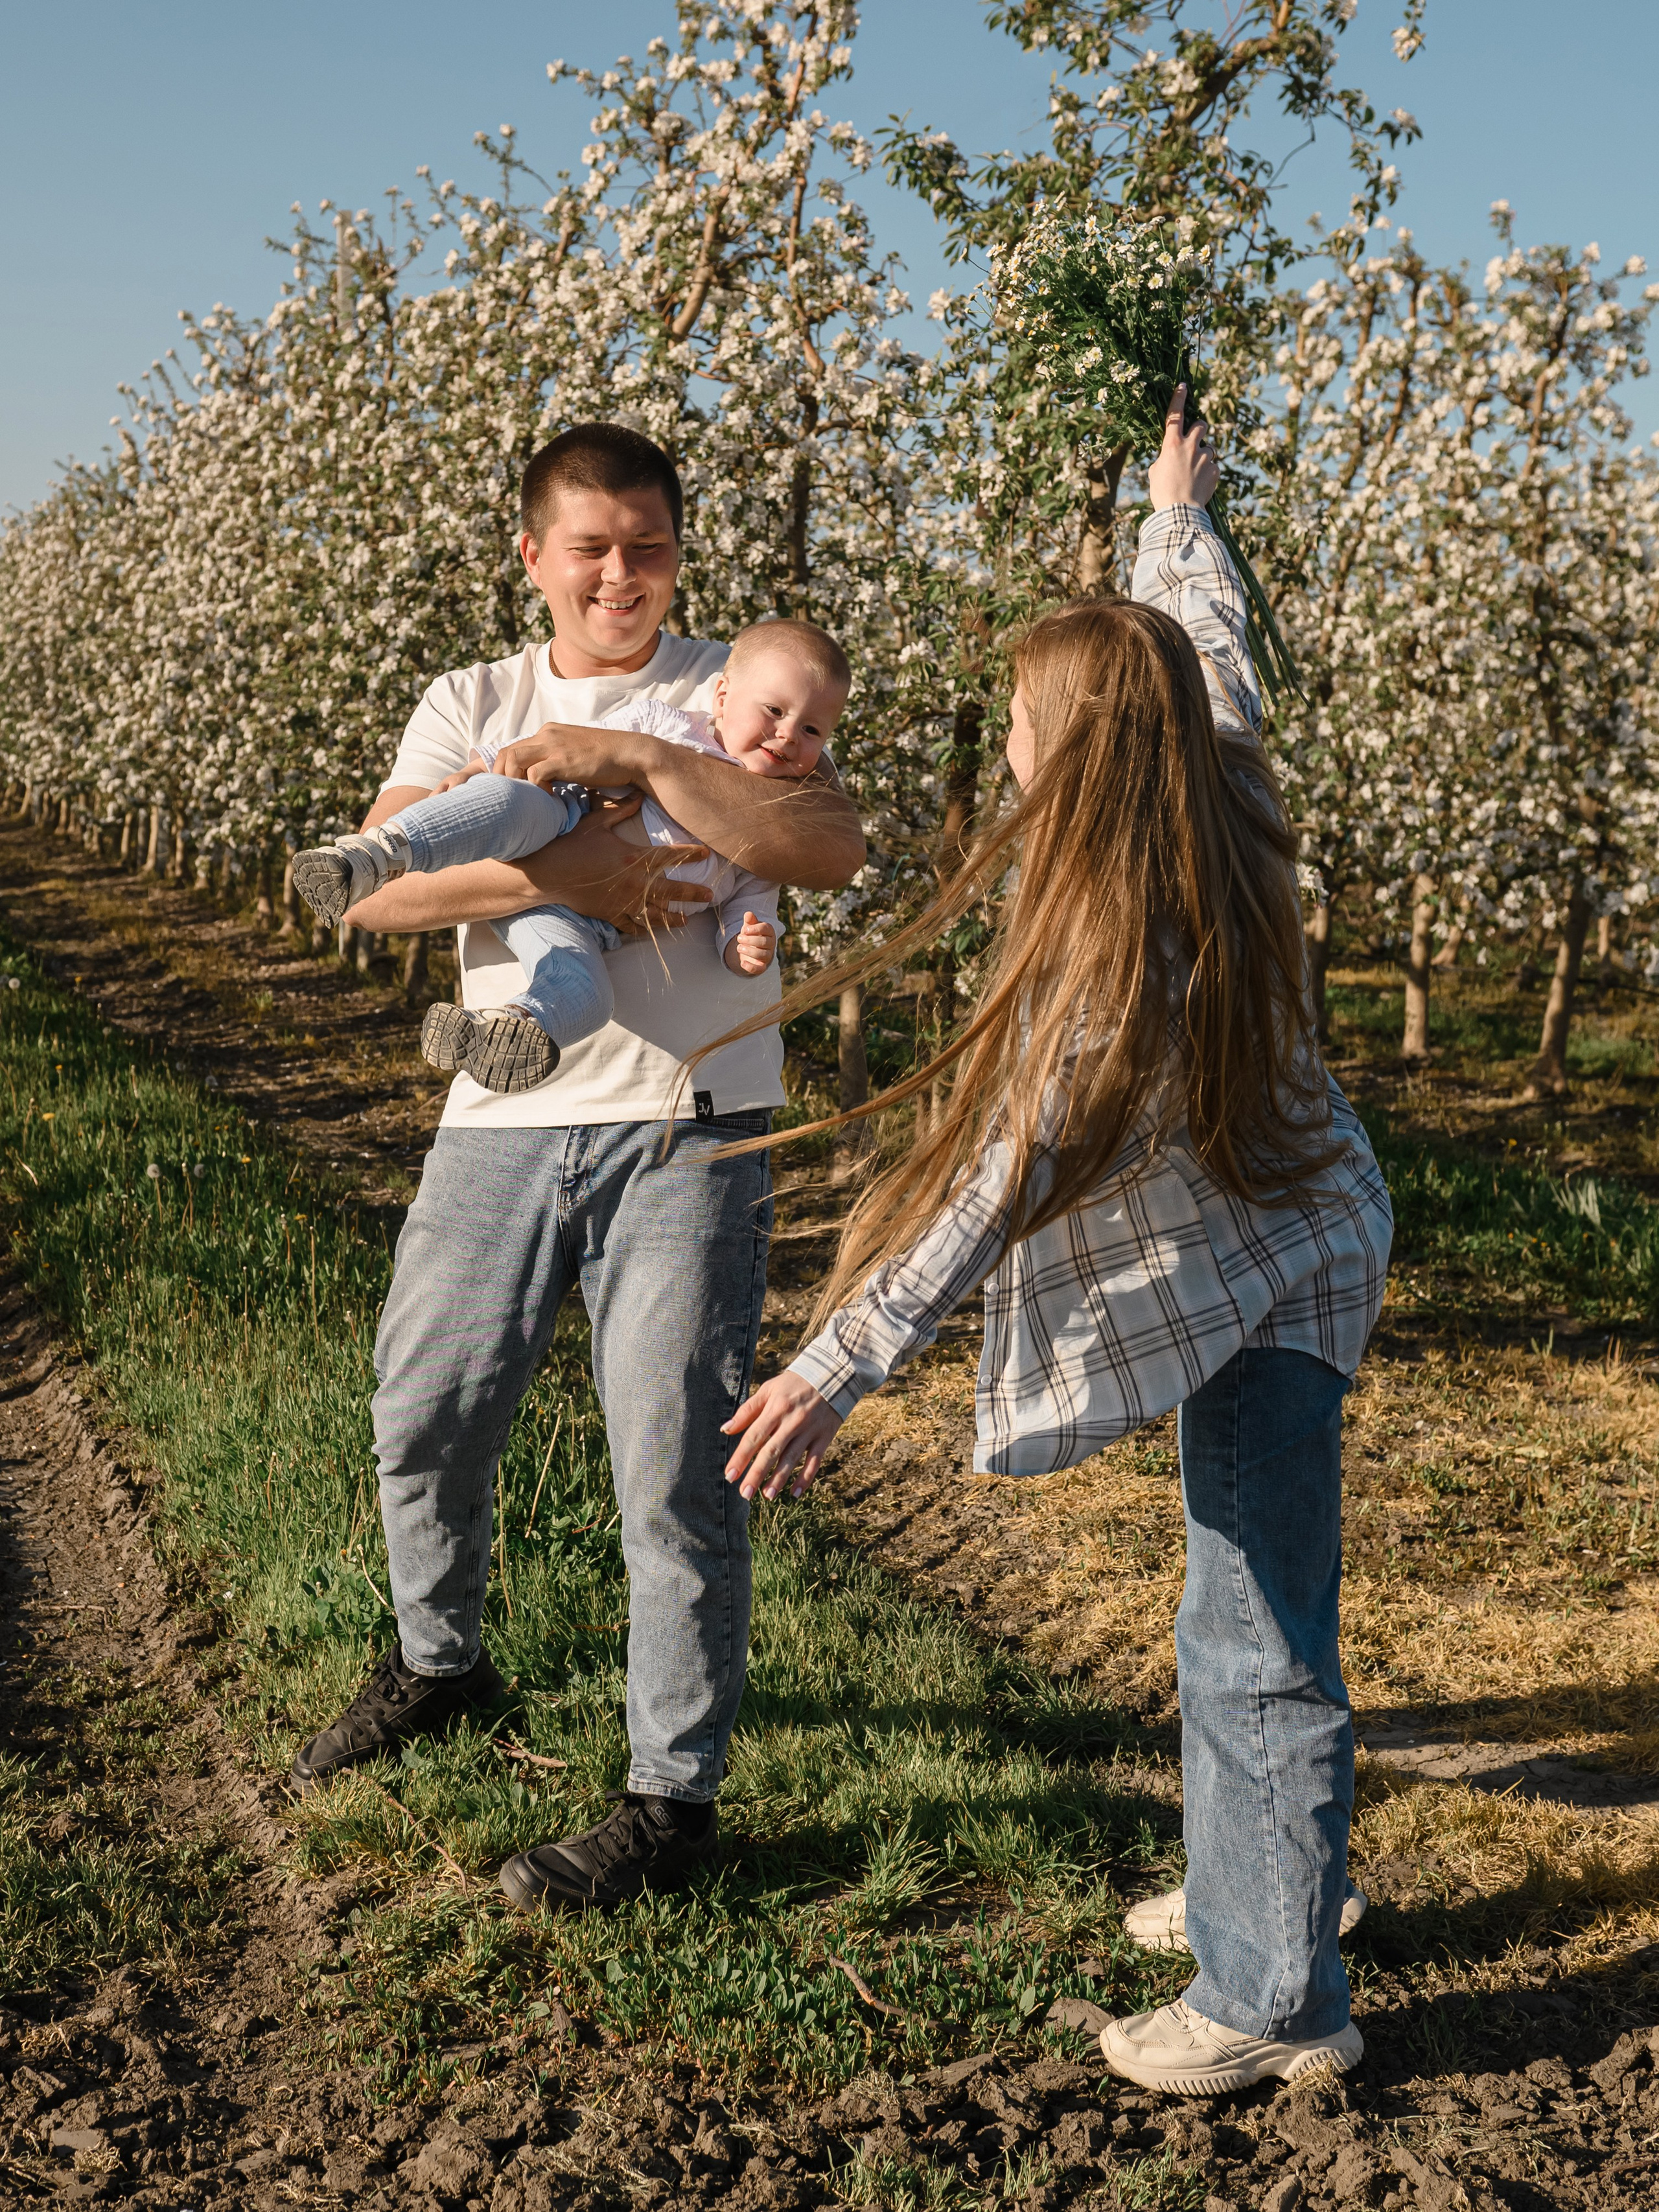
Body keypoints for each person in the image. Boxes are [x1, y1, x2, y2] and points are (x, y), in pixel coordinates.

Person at [719, 387, 1394, 2095]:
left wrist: (834, 1359)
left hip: (1282, 1271)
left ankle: (1276, 2000)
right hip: (1284, 1244)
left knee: (1252, 1628)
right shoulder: (1216, 774)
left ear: (1082, 754)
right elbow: (1208, 643)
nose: (1004, 749)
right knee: (1243, 1606)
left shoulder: (1113, 958)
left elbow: (983, 1185)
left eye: (1024, 725)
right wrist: (1176, 515)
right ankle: (1277, 1893)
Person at [286, 423, 866, 1919]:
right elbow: (381, 883)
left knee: (669, 1460)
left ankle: (669, 1798)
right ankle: (440, 1659)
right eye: (592, 545)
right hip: (499, 1116)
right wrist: (567, 881)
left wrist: (644, 758)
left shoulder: (740, 685)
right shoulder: (472, 699)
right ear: (533, 553)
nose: (622, 573)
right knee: (424, 1404)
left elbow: (822, 838)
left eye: (650, 544)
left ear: (681, 551)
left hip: (686, 1117)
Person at [288, 618, 849, 1093]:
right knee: (509, 800)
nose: (787, 736)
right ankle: (378, 852)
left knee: (586, 993)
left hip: (585, 928)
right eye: (773, 711)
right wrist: (480, 766)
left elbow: (754, 906)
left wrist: (744, 945)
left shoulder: (777, 815)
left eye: (812, 730)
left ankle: (503, 1029)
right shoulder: (667, 725)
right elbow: (564, 747)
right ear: (722, 697)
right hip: (565, 814)